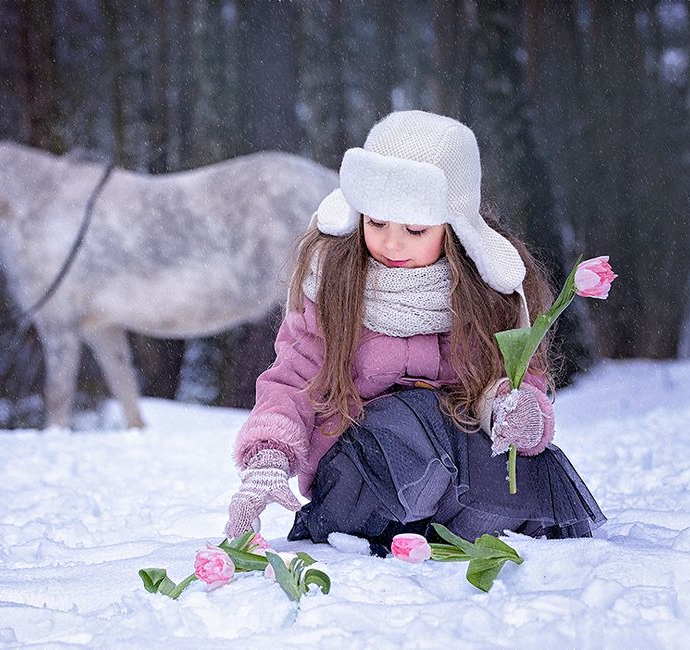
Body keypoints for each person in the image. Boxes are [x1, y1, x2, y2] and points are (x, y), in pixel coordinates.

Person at [224, 111, 606, 554]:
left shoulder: (486, 294)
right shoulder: (332, 283)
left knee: (495, 468)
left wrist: (511, 409)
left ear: (454, 228)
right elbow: (294, 377)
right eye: (377, 223)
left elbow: (512, 374)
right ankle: (387, 523)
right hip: (357, 473)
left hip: (451, 467)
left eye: (415, 229)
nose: (391, 243)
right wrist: (268, 458)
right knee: (410, 414)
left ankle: (439, 532)